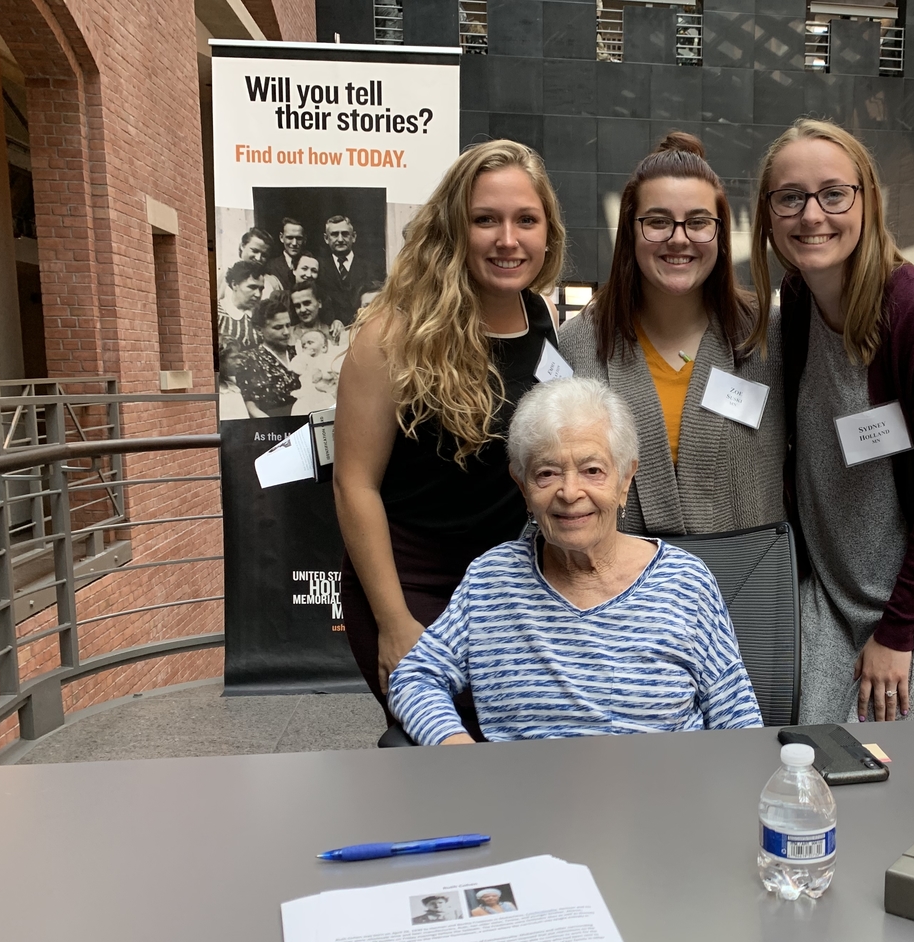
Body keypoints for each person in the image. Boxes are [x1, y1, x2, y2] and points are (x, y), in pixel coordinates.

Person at [746, 119, 914, 726]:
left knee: (913, 789)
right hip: (837, 597)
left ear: (866, 199)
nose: (812, 215)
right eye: (791, 198)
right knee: (814, 766)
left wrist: (898, 632)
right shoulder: (799, 300)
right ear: (768, 213)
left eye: (833, 194)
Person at [334, 139, 566, 739]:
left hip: (510, 584)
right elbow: (353, 483)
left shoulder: (539, 319)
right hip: (413, 581)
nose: (507, 239)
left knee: (510, 739)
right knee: (441, 742)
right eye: (484, 219)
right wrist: (392, 620)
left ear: (548, 232)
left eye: (525, 220)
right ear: (452, 230)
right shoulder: (393, 332)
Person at [387, 377, 764, 744]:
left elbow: (736, 714)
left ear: (625, 479)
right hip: (526, 799)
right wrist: (457, 749)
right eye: (547, 473)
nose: (570, 492)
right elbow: (414, 679)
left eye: (592, 471)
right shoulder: (491, 580)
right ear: (522, 486)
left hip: (661, 797)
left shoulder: (685, 582)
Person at [558, 133, 783, 535]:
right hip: (619, 592)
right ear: (630, 231)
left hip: (745, 588)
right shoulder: (577, 346)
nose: (679, 238)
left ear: (720, 233)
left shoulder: (771, 338)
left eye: (698, 222)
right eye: (658, 222)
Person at [230, 296, 301, 418]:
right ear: (259, 330)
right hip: (272, 422)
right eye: (278, 327)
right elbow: (250, 405)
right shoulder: (249, 360)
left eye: (288, 325)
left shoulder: (299, 352)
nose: (286, 332)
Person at [318, 214, 384, 324]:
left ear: (353, 237)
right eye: (334, 234)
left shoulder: (373, 268)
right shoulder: (319, 269)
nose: (340, 239)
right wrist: (332, 320)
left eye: (345, 234)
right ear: (326, 238)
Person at [216, 261, 266, 350]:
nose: (258, 294)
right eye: (252, 287)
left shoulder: (263, 317)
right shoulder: (217, 314)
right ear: (234, 284)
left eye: (261, 289)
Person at [268, 218, 308, 292]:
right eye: (290, 238)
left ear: (304, 239)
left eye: (299, 238)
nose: (294, 243)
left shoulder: (311, 265)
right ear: (281, 237)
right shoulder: (270, 266)